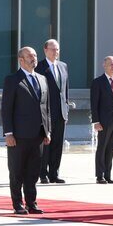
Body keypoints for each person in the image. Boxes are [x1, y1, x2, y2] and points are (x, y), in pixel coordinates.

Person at [1, 47, 51, 214]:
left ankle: (32, 202)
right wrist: (8, 133)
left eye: (35, 55)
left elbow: (46, 108)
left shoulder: (42, 79)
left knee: (33, 171)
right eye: (30, 56)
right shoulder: (12, 80)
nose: (33, 58)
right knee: (17, 171)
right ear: (20, 60)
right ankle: (18, 204)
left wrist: (47, 131)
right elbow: (7, 108)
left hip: (38, 134)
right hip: (19, 135)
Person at [35, 39, 74, 184]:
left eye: (57, 49)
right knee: (46, 143)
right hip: (47, 112)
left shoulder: (63, 66)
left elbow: (65, 90)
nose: (55, 52)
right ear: (45, 50)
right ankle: (42, 173)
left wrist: (67, 110)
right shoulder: (39, 67)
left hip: (61, 112)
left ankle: (54, 173)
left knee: (58, 144)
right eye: (52, 49)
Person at [90, 56, 113, 184]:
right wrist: (96, 121)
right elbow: (94, 103)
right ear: (104, 65)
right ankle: (100, 175)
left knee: (111, 148)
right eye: (111, 64)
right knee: (102, 147)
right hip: (103, 121)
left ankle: (108, 175)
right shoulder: (98, 82)